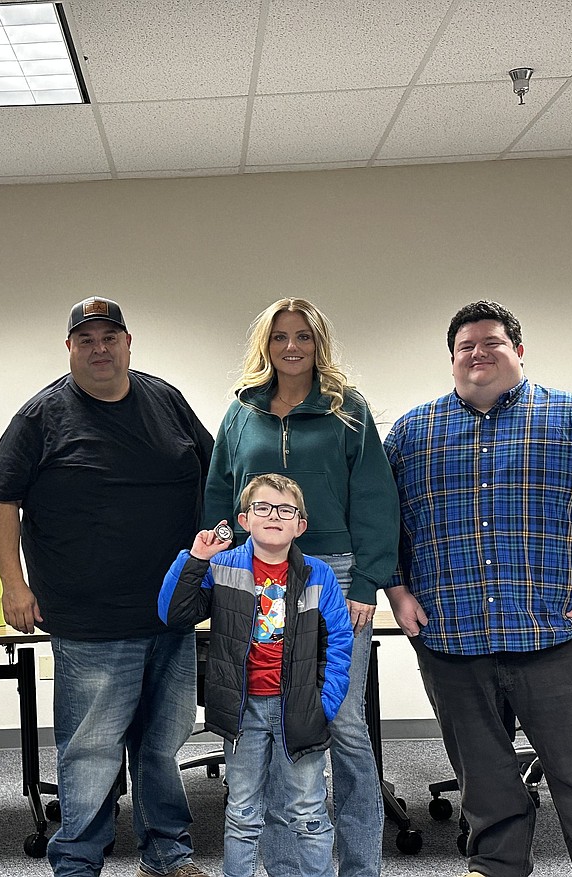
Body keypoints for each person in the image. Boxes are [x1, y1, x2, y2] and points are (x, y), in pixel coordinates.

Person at [383, 300, 572, 877]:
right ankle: (497, 868)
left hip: (560, 633)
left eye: (492, 342)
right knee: (483, 780)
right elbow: (384, 521)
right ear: (452, 359)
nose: (477, 353)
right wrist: (398, 593)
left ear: (518, 351)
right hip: (453, 639)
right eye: (465, 347)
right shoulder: (412, 431)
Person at [0, 296, 214, 877]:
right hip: (89, 618)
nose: (99, 348)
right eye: (85, 339)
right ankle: (78, 861)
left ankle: (167, 852)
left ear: (128, 341)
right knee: (90, 751)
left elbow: (216, 478)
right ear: (69, 348)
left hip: (171, 612)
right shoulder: (41, 418)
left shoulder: (166, 401)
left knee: (163, 748)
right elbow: (2, 501)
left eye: (109, 336)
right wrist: (14, 586)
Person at [203, 298, 398, 877]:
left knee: (342, 723)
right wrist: (221, 570)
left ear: (319, 345)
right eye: (281, 336)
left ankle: (361, 865)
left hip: (333, 573)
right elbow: (221, 494)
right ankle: (289, 867)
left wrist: (367, 580)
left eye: (304, 337)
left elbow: (374, 500)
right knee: (275, 714)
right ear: (265, 344)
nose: (292, 347)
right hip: (259, 574)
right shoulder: (241, 413)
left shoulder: (348, 411)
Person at [160, 474, 353, 877]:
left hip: (299, 709)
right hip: (243, 711)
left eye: (286, 510)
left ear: (300, 525)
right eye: (262, 508)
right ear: (245, 520)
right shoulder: (224, 566)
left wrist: (325, 704)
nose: (273, 516)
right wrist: (195, 558)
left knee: (308, 811)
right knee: (243, 812)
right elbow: (174, 614)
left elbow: (338, 644)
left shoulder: (319, 575)